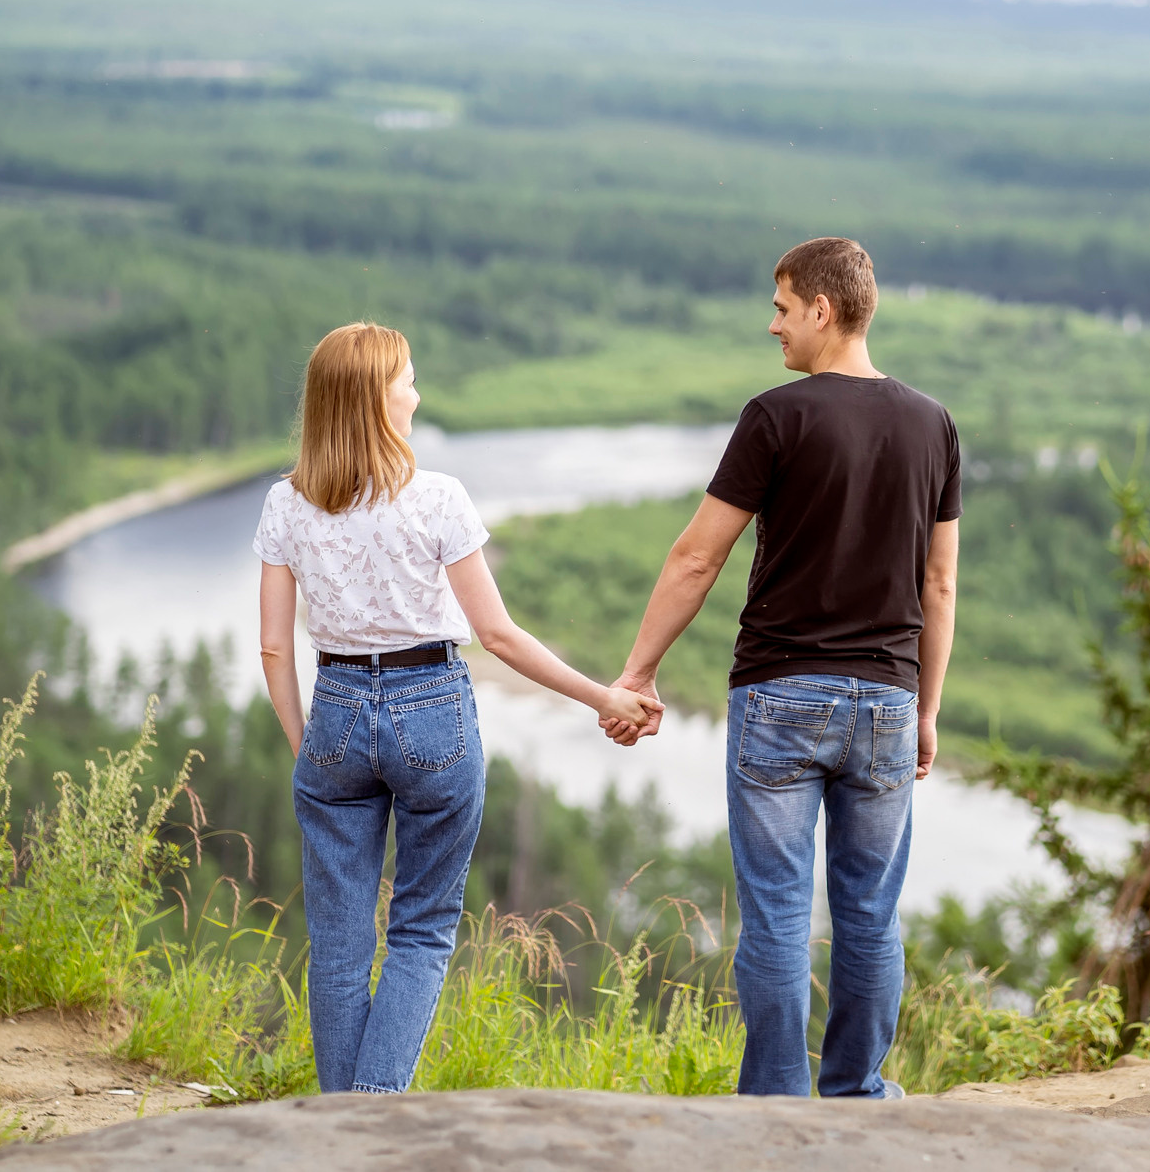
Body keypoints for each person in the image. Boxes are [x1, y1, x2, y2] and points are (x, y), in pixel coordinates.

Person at [255, 321, 661, 1095]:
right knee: (420, 929)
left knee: (339, 947)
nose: (417, 391)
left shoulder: (287, 503)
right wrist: (604, 695)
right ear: (377, 398)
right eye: (407, 378)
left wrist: (308, 743)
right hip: (432, 708)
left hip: (336, 707)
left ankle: (345, 1128)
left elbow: (275, 649)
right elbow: (499, 636)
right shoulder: (437, 497)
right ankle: (372, 1117)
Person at [602, 237, 961, 1098]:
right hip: (886, 699)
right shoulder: (933, 424)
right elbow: (939, 584)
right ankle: (856, 1092)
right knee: (871, 912)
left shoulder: (777, 415)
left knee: (777, 914)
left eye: (782, 306)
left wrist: (638, 673)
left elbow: (697, 558)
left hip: (779, 696)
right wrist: (927, 707)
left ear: (823, 311)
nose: (774, 325)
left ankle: (775, 1104)